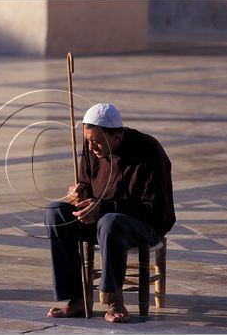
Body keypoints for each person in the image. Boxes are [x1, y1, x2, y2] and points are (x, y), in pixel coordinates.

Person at [44, 103, 175, 323]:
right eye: (88, 140)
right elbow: (86, 182)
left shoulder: (149, 151)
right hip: (101, 219)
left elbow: (155, 210)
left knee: (110, 221)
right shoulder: (91, 146)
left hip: (143, 224)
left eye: (97, 141)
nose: (92, 147)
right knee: (56, 213)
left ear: (117, 135)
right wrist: (78, 193)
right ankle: (76, 298)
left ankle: (115, 299)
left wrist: (104, 208)